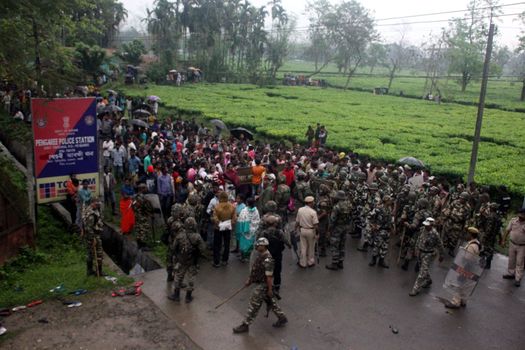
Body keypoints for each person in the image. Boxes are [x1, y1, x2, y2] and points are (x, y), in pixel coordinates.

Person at [233, 237, 288, 334]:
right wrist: (250, 280)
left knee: (254, 303)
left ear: (264, 246)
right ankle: (282, 317)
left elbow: (269, 276)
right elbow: (256, 270)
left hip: (263, 285)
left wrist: (270, 289)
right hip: (260, 282)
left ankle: (245, 324)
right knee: (271, 302)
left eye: (259, 245)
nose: (257, 246)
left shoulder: (268, 259)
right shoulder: (261, 255)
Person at [168, 217, 207, 303]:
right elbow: (203, 249)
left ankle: (176, 295)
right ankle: (188, 297)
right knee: (191, 278)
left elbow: (174, 248)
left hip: (181, 260)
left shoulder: (180, 235)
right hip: (192, 261)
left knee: (178, 277)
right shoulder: (197, 237)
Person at [444, 227, 481, 309]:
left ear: (471, 235)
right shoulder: (477, 243)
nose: (466, 235)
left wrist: (462, 252)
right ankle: (463, 301)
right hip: (471, 268)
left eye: (467, 234)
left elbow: (468, 257)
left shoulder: (472, 246)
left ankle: (455, 302)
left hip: (466, 267)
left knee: (458, 284)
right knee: (465, 285)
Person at [409, 218, 444, 296]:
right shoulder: (422, 229)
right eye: (425, 225)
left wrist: (441, 255)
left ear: (431, 225)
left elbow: (440, 245)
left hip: (429, 254)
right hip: (420, 252)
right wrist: (416, 249)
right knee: (423, 268)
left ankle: (415, 289)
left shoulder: (435, 234)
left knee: (422, 272)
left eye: (427, 225)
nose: (426, 227)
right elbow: (418, 239)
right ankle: (428, 280)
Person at [326, 191, 352, 270]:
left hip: (337, 228)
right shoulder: (349, 205)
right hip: (345, 227)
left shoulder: (337, 207)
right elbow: (351, 216)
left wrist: (329, 230)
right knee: (342, 244)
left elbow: (333, 220)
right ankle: (341, 262)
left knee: (335, 245)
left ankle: (334, 263)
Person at [211, 191, 237, 267]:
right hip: (228, 228)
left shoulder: (217, 207)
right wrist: (230, 223)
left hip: (218, 228)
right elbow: (235, 218)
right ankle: (225, 260)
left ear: (220, 198)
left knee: (217, 244)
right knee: (227, 244)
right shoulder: (232, 206)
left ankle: (216, 262)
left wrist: (219, 223)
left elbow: (215, 217)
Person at [501, 208, 525, 287]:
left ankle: (518, 278)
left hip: (522, 246)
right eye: (520, 215)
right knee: (511, 260)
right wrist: (503, 240)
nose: (521, 216)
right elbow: (507, 230)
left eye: (523, 215)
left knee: (520, 262)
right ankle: (511, 274)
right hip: (512, 243)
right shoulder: (513, 220)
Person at [295, 196, 319, 268]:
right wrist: (317, 233)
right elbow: (315, 225)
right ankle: (310, 262)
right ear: (310, 203)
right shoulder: (313, 212)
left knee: (303, 247)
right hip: (311, 231)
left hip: (302, 230)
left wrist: (295, 228)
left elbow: (297, 221)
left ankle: (303, 263)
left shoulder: (300, 210)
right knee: (311, 247)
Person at [82, 199, 104, 277]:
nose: (98, 205)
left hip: (92, 234)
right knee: (99, 252)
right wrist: (93, 239)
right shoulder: (91, 214)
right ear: (92, 203)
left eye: (99, 204)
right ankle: (99, 272)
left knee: (90, 253)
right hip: (93, 235)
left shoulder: (90, 209)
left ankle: (90, 271)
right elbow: (89, 228)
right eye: (96, 204)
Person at [237, 197, 260, 262]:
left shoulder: (244, 211)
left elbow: (240, 219)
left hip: (245, 230)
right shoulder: (256, 211)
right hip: (253, 230)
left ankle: (243, 257)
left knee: (243, 243)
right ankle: (248, 256)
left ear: (247, 203)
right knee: (250, 244)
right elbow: (258, 220)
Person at [133, 183, 154, 250]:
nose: (146, 189)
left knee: (138, 229)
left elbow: (133, 206)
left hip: (137, 215)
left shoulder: (135, 197)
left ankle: (139, 244)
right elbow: (147, 207)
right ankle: (143, 245)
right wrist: (150, 213)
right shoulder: (142, 198)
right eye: (145, 188)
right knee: (144, 229)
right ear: (142, 189)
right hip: (142, 215)